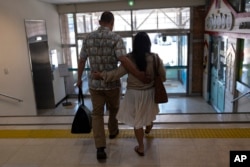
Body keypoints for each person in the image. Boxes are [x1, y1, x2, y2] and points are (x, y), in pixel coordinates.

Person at [77, 11, 150, 160]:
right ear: (112, 22)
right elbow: (123, 59)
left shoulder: (88, 38)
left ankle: (100, 148)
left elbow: (82, 60)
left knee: (97, 115)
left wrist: (79, 79)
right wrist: (138, 74)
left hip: (95, 84)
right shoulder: (116, 38)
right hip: (112, 84)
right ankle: (112, 131)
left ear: (99, 22)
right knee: (113, 109)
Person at [92, 32, 166, 156]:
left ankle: (141, 148)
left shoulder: (129, 59)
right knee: (148, 114)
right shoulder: (155, 58)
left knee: (137, 120)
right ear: (148, 44)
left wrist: (101, 75)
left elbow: (116, 74)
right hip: (149, 93)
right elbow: (163, 77)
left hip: (133, 94)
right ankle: (148, 127)